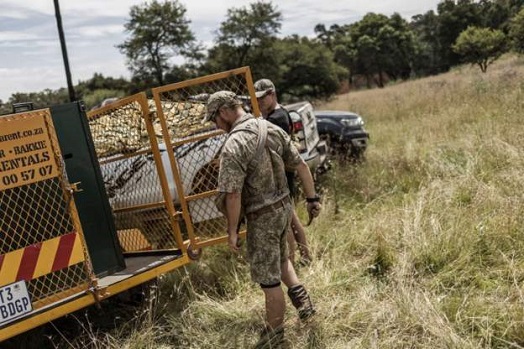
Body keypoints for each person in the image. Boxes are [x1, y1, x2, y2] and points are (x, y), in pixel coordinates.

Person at [204, 91, 321, 348]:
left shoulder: (234, 145)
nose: (215, 125)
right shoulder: (269, 127)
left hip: (262, 217)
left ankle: (274, 336)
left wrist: (232, 230)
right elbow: (301, 165)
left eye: (214, 118)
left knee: (269, 282)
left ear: (224, 112)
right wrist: (312, 199)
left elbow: (233, 194)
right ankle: (305, 306)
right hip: (283, 209)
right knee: (281, 260)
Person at [254, 78, 313, 266]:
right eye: (257, 98)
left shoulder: (276, 118)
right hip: (283, 174)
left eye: (264, 97)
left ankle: (291, 262)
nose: (260, 101)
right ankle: (306, 256)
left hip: (281, 177)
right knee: (292, 219)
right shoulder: (276, 114)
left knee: (285, 223)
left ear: (273, 94)